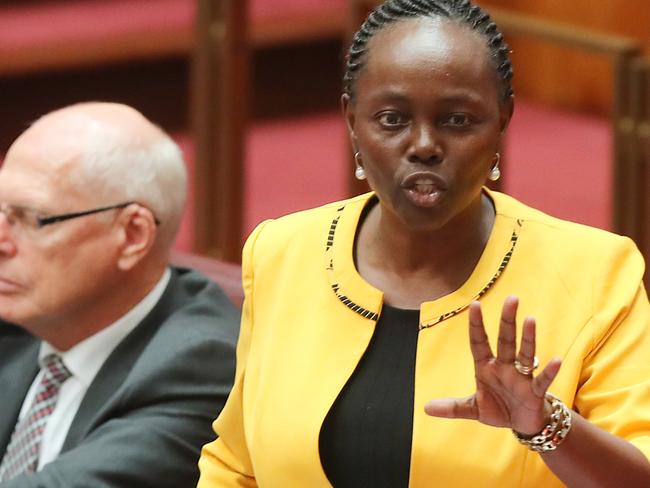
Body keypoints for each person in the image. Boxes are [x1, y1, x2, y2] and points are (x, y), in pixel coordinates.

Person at [197, 0, 650, 486]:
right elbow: (235, 465)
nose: (424, 145)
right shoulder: (282, 252)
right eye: (392, 119)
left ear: (502, 120)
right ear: (352, 120)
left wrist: (549, 428)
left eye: (457, 120)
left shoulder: (594, 273)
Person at [0, 102, 239, 487]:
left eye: (32, 218)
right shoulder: (22, 317)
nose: (2, 241)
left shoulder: (201, 366)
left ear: (132, 235)